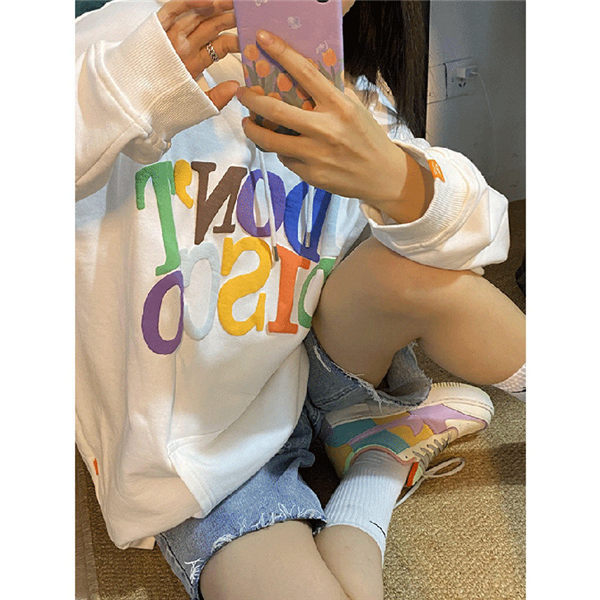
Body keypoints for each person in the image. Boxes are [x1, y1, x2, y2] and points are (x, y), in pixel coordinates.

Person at [75, 1, 526, 599]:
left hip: (310, 365)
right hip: (204, 453)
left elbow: (483, 232)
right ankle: (376, 462)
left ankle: (365, 426)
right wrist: (131, 84)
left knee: (432, 278)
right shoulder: (114, 44)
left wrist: (398, 180)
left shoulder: (342, 85)